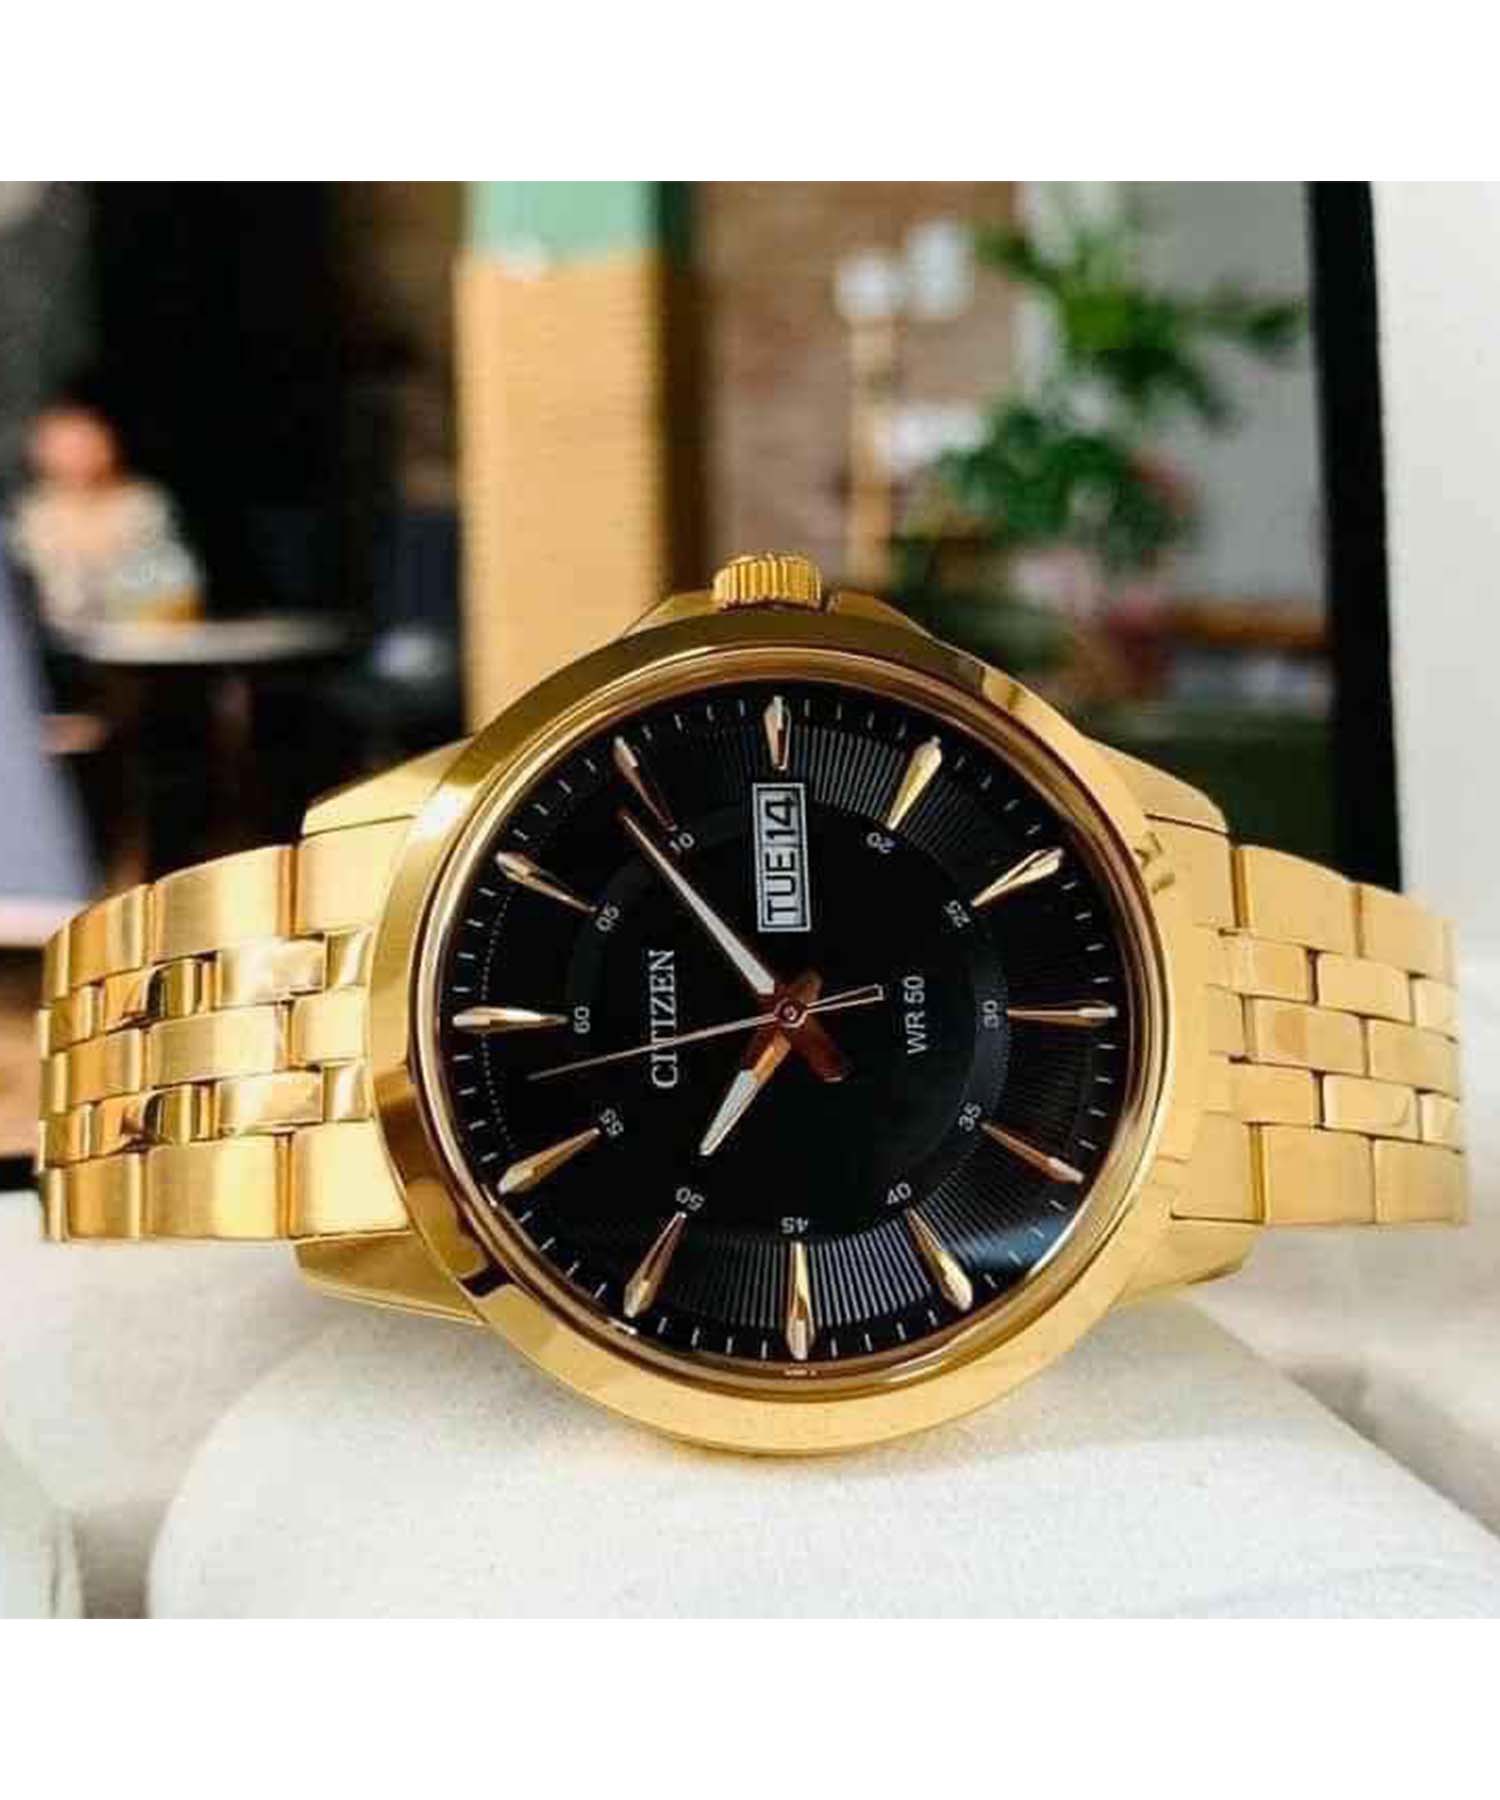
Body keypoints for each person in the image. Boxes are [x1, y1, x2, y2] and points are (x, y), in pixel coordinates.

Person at [7, 401, 201, 633]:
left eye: (85, 444)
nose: (77, 456)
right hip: (49, 637)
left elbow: (169, 580)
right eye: (65, 447)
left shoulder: (142, 505)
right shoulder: (27, 515)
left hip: (135, 632)